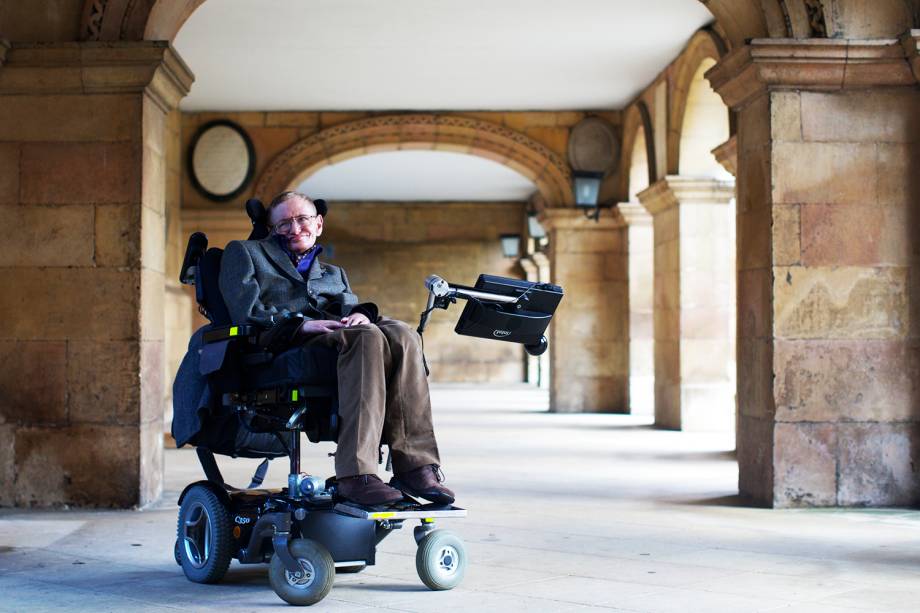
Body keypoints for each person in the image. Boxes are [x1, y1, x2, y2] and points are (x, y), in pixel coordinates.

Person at [218, 191, 454, 507]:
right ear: (271, 229)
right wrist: (300, 326)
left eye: (302, 219)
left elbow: (347, 306)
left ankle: (414, 466)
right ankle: (356, 475)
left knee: (403, 334)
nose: (294, 228)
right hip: (281, 346)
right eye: (284, 223)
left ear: (318, 224)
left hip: (336, 337)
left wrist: (361, 314)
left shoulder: (333, 273)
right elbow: (245, 311)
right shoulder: (245, 253)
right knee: (366, 338)